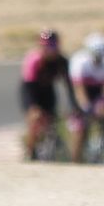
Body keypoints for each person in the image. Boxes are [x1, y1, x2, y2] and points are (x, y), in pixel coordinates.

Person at [19, 29, 75, 160]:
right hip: (31, 91)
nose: (49, 50)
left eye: (52, 47)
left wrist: (74, 106)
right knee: (35, 119)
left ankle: (53, 151)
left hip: (48, 91)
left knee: (52, 120)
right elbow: (29, 88)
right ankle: (30, 152)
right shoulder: (33, 61)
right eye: (46, 47)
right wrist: (33, 107)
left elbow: (70, 87)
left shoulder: (62, 61)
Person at [66, 32, 104, 162]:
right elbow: (79, 92)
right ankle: (75, 161)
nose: (98, 59)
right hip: (80, 94)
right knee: (79, 130)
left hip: (97, 93)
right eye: (96, 56)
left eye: (101, 56)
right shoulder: (79, 61)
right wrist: (87, 108)